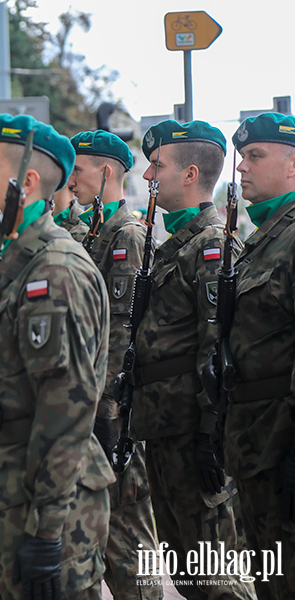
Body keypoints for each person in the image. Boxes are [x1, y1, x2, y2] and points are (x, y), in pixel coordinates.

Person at [0, 113, 113, 600]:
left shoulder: (54, 270)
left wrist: (47, 531)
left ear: (25, 182)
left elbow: (67, 411)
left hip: (41, 508)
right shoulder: (7, 259)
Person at [133, 119, 254, 600]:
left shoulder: (210, 245)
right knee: (189, 577)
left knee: (216, 576)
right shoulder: (174, 245)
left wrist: (211, 436)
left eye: (156, 165)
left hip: (192, 432)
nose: (147, 177)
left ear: (188, 175)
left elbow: (217, 347)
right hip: (165, 428)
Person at [67, 131, 162, 598]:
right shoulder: (93, 230)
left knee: (127, 541)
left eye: (79, 167)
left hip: (114, 414)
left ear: (106, 171)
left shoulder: (126, 234)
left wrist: (105, 412)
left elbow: (122, 335)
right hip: (94, 408)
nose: (70, 177)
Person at [213, 111, 295, 598]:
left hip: (282, 448)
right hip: (255, 445)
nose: (241, 168)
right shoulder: (262, 238)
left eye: (256, 156)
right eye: (241, 157)